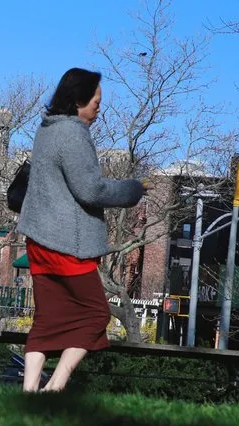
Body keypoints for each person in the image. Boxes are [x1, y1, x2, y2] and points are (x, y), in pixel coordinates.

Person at [16, 68, 150, 392]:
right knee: (94, 314)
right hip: (65, 243)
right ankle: (55, 386)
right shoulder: (74, 133)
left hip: (38, 239)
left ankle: (28, 391)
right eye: (95, 101)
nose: (98, 108)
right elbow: (90, 190)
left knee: (47, 318)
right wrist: (131, 191)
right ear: (78, 101)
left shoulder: (45, 129)